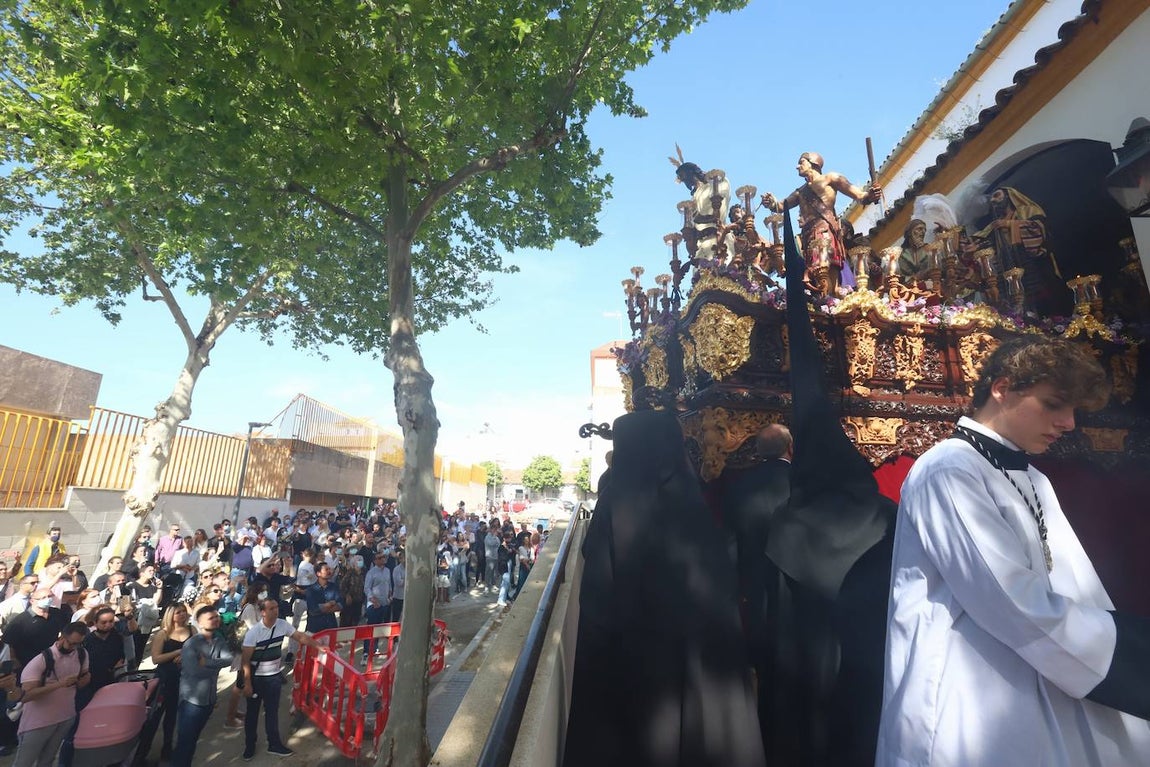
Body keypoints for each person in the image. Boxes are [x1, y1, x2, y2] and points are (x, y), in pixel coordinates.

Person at [877, 336, 1150, 765]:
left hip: (1050, 672)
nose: (1069, 423)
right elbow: (1008, 598)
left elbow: (1074, 581)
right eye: (1054, 404)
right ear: (1001, 388)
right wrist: (1130, 656)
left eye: (1073, 409)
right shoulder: (949, 470)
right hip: (973, 688)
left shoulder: (1032, 476)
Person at [563, 409, 766, 766]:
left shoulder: (617, 505)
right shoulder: (694, 505)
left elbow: (597, 605)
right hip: (701, 680)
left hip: (637, 681)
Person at [762, 152, 881, 296]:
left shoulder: (830, 178)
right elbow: (780, 206)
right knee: (814, 273)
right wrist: (772, 202)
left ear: (813, 162)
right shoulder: (800, 192)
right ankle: (824, 300)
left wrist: (869, 195)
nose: (797, 166)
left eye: (801, 162)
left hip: (825, 231)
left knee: (828, 270)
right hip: (808, 237)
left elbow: (859, 195)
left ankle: (831, 300)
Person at [239, 598, 322, 760]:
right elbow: (245, 660)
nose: (275, 611)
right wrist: (247, 683)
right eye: (271, 608)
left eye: (276, 607)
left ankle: (274, 743)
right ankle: (249, 746)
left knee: (272, 711)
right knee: (252, 714)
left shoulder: (282, 625)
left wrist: (318, 646)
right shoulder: (253, 633)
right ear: (263, 612)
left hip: (273, 677)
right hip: (257, 679)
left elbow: (300, 637)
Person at [973, 186, 1066, 315]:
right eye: (991, 199)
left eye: (997, 195)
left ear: (1009, 195)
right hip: (1007, 267)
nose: (993, 200)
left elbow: (1040, 229)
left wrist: (1010, 224)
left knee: (1044, 302)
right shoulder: (993, 226)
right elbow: (981, 243)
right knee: (1015, 306)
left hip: (1031, 263)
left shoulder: (1028, 211)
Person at [12, 623, 90, 767]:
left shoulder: (82, 654)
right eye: (71, 643)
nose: (74, 647)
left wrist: (84, 680)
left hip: (65, 717)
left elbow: (81, 683)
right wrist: (59, 684)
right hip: (37, 723)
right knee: (24, 762)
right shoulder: (41, 660)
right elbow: (25, 696)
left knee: (48, 760)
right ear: (62, 637)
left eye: (78, 644)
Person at [172, 605, 236, 767]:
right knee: (185, 742)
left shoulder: (219, 639)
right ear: (199, 623)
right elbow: (195, 672)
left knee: (193, 740)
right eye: (211, 618)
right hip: (191, 701)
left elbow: (229, 659)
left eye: (216, 617)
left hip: (209, 698)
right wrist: (215, 666)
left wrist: (207, 662)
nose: (216, 620)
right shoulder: (191, 644)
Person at [149, 604, 191, 760]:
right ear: (170, 615)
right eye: (177, 612)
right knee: (155, 715)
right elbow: (155, 658)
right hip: (164, 678)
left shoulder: (191, 631)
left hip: (183, 678)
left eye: (183, 612)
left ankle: (167, 748)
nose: (181, 615)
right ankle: (143, 749)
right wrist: (177, 652)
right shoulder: (163, 634)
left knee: (172, 716)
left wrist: (187, 655)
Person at [3, 588, 71, 669]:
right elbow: (9, 643)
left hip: (52, 660)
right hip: (28, 662)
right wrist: (15, 661)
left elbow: (66, 631)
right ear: (32, 601)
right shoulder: (20, 621)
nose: (47, 599)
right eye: (43, 598)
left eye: (50, 596)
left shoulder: (57, 614)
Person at [304, 564, 341, 633]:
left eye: (329, 569)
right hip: (314, 628)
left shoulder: (334, 587)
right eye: (326, 569)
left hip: (330, 626)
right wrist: (329, 604)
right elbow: (313, 610)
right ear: (318, 573)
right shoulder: (311, 590)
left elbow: (340, 605)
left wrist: (321, 608)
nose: (329, 571)